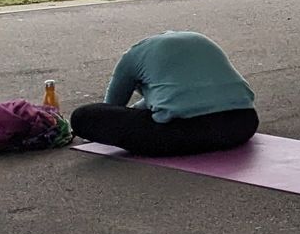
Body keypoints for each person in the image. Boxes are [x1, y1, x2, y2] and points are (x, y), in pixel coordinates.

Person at [70, 30, 257, 156]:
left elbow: (112, 107)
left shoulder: (131, 57)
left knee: (85, 116)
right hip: (244, 125)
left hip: (183, 135)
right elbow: (176, 95)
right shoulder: (199, 39)